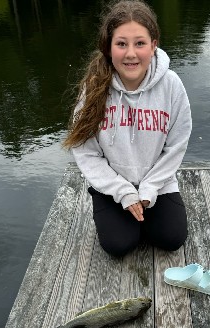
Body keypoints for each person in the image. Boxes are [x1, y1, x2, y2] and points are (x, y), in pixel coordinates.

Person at [64, 0, 192, 257]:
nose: (131, 54)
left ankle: (146, 215)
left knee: (172, 238)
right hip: (112, 187)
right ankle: (119, 215)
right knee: (119, 245)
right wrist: (123, 192)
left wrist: (149, 189)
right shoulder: (94, 88)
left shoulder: (171, 85)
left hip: (157, 184)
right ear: (109, 47)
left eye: (140, 43)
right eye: (121, 44)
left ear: (154, 45)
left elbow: (176, 147)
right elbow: (86, 152)